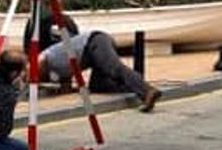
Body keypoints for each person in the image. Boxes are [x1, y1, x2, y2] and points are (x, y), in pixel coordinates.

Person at [25, 9, 162, 113]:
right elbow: (65, 87)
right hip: (92, 55)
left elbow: (36, 64)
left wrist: (28, 81)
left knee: (113, 68)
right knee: (98, 86)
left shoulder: (47, 56)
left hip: (94, 42)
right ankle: (134, 85)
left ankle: (147, 91)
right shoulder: (59, 69)